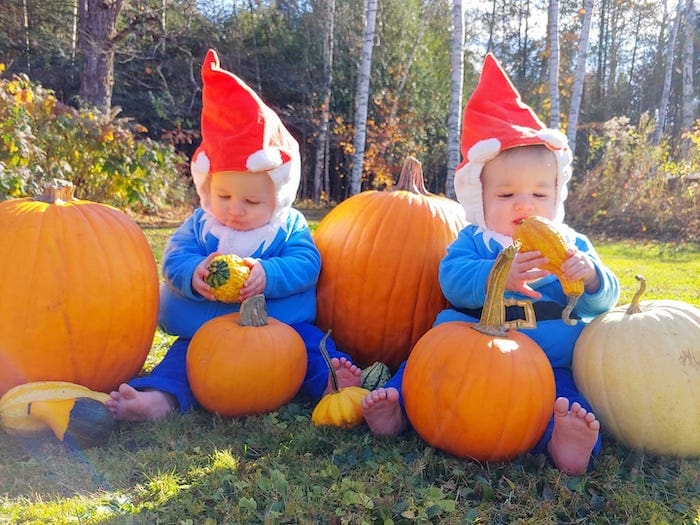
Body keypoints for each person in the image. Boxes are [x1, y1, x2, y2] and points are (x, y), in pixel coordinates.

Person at [362, 53, 619, 476]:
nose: (524, 204)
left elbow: (605, 297)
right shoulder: (477, 240)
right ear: (479, 199)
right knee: (422, 369)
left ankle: (563, 442)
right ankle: (397, 407)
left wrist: (589, 276)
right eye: (506, 195)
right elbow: (452, 280)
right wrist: (499, 275)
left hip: (544, 355)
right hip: (468, 341)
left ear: (557, 196)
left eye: (540, 194)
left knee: (565, 397)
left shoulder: (572, 244)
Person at [107, 49, 360, 422]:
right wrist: (194, 273)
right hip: (209, 332)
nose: (235, 209)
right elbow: (175, 257)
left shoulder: (287, 226)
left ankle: (332, 384)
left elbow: (307, 263)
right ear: (208, 188)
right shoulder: (200, 224)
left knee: (313, 347)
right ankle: (159, 399)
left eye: (252, 200)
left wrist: (268, 274)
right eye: (223, 196)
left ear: (278, 197)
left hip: (279, 326)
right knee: (184, 359)